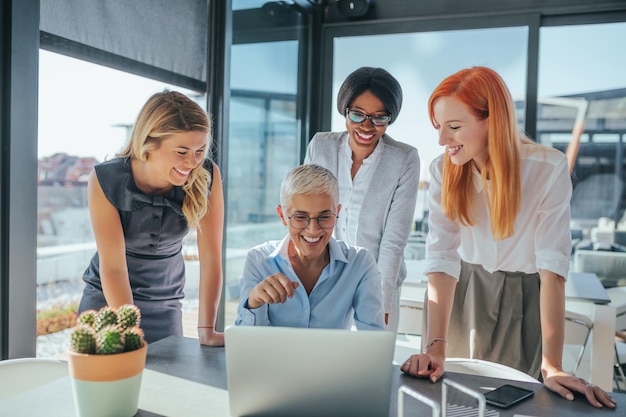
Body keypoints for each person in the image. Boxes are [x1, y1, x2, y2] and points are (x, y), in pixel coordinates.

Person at [400, 66, 616, 409]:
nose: (442, 140)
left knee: (509, 404)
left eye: (454, 127)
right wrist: (435, 344)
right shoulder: (443, 170)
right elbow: (442, 258)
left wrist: (553, 365)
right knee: (450, 403)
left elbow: (552, 269)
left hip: (523, 293)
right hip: (459, 290)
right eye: (439, 127)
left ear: (493, 121)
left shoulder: (547, 169)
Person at [78, 90, 225, 346]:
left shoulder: (208, 175)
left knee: (165, 384)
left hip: (166, 303)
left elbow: (211, 259)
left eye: (200, 150)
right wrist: (129, 332)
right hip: (108, 301)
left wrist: (207, 329)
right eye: (181, 151)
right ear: (148, 143)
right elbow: (113, 267)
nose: (192, 162)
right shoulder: (106, 179)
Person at [304, 66, 420, 331]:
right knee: (324, 363)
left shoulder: (403, 159)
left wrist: (381, 303)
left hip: (377, 280)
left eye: (379, 117)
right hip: (324, 279)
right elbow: (304, 212)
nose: (367, 126)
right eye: (357, 114)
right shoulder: (320, 147)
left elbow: (394, 241)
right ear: (345, 110)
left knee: (370, 366)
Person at [235, 164, 385, 330]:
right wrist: (254, 301)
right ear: (283, 216)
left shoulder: (360, 263)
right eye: (300, 217)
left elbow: (373, 337)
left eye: (325, 216)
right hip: (274, 357)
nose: (313, 229)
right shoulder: (258, 260)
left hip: (335, 357)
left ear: (338, 213)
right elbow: (248, 346)